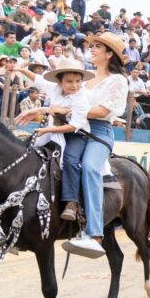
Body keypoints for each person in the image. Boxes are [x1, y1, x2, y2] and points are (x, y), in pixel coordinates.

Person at [61, 32, 129, 258]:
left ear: (109, 54)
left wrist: (70, 110)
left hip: (99, 131)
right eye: (92, 45)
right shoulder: (84, 78)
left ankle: (95, 234)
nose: (92, 49)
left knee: (90, 167)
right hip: (74, 127)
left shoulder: (117, 81)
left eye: (97, 46)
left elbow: (102, 112)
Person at [15, 58, 94, 222]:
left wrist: (47, 129)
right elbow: (38, 80)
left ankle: (72, 202)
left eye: (78, 81)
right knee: (26, 149)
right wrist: (21, 70)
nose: (75, 85)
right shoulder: (54, 88)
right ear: (60, 81)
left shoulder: (82, 98)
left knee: (70, 160)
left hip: (75, 135)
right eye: (69, 81)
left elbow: (73, 126)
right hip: (51, 131)